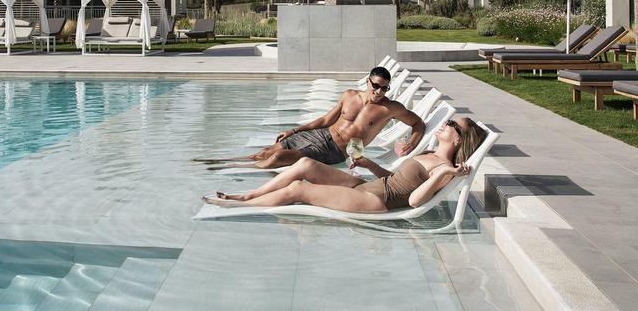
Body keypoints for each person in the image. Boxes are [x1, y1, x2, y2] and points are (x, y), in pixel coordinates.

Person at [205, 117, 487, 212]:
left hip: (377, 201)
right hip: (372, 185)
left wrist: (446, 173)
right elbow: (397, 178)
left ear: (460, 140)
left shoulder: (443, 168)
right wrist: (368, 163)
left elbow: (413, 200)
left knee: (300, 189)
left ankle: (238, 204)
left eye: (452, 124)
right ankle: (251, 194)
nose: (445, 123)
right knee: (305, 163)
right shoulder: (429, 154)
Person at [198, 66, 425, 170]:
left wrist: (411, 143)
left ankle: (235, 167)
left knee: (281, 158)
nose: (378, 92)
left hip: (336, 150)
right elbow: (325, 120)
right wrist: (295, 130)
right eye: (376, 86)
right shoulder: (349, 95)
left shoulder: (390, 108)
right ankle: (225, 161)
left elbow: (418, 124)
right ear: (368, 81)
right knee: (269, 151)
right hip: (321, 135)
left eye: (384, 89)